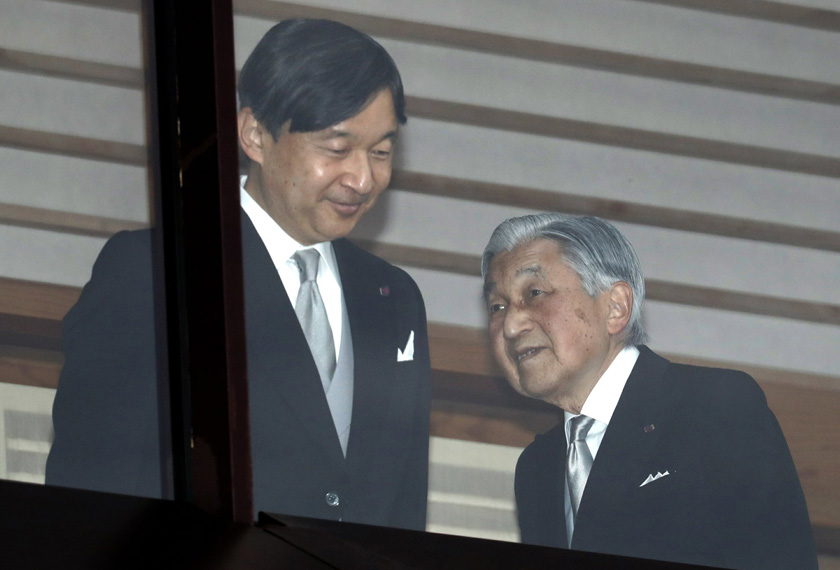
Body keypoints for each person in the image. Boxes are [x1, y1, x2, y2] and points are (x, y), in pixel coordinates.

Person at [46, 19, 431, 531]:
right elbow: (92, 490)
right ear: (254, 135)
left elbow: (403, 512)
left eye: (381, 152)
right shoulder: (160, 273)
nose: (363, 179)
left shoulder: (395, 299)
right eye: (337, 148)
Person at [481, 213, 817, 569]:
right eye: (497, 306)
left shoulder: (715, 407)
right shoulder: (537, 468)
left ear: (615, 307)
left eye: (534, 293)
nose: (511, 325)